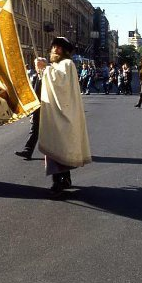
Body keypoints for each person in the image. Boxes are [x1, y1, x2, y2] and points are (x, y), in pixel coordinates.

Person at [38, 37, 91, 194]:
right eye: (54, 47)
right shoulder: (56, 65)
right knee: (57, 147)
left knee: (58, 146)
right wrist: (44, 70)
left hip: (63, 113)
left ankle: (58, 183)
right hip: (53, 112)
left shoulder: (67, 64)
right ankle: (65, 178)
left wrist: (45, 69)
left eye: (59, 48)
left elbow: (60, 84)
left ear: (65, 51)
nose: (55, 49)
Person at [16, 57, 47, 160]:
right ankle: (27, 151)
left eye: (39, 65)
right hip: (37, 108)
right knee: (34, 129)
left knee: (50, 131)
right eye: (36, 65)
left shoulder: (48, 77)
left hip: (47, 108)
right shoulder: (34, 76)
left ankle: (61, 151)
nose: (36, 67)